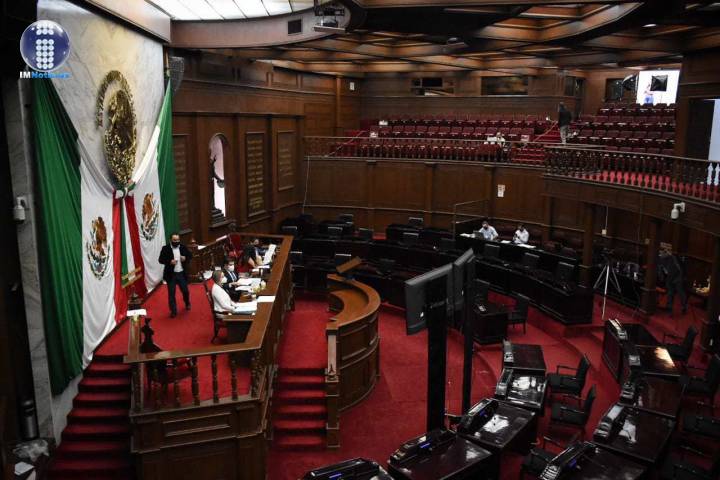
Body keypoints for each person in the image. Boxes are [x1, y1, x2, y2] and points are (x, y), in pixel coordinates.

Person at [158, 233, 192, 318]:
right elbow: (160, 260)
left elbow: (190, 255)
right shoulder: (165, 248)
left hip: (181, 273)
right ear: (170, 240)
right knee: (171, 294)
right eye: (174, 240)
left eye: (178, 240)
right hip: (171, 275)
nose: (176, 241)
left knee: (185, 291)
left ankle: (187, 303)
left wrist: (185, 258)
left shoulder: (183, 247)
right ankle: (173, 311)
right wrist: (169, 261)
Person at [659, 248, 688, 315]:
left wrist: (667, 281)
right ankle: (669, 308)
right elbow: (662, 270)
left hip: (678, 277)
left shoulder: (672, 258)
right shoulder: (662, 259)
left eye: (662, 253)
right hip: (671, 277)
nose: (661, 254)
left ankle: (684, 307)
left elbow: (674, 271)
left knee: (680, 292)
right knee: (670, 293)